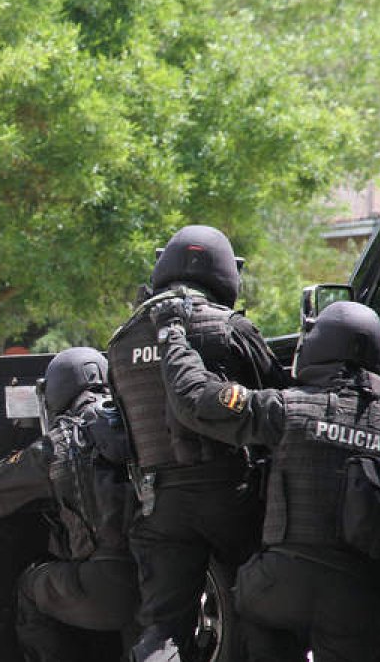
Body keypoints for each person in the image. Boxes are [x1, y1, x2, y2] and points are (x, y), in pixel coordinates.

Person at [153, 298, 380, 661]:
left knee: (252, 599)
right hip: (356, 593)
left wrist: (173, 334)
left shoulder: (287, 407)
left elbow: (195, 398)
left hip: (279, 585)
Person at [106, 225, 288, 661]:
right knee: (260, 614)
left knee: (164, 629)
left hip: (159, 504)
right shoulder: (230, 328)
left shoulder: (123, 340)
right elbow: (279, 401)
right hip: (233, 495)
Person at [0, 347, 139, 662]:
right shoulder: (142, 429)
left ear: (57, 390)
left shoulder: (60, 441)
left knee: (30, 586)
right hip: (160, 581)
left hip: (103, 587)